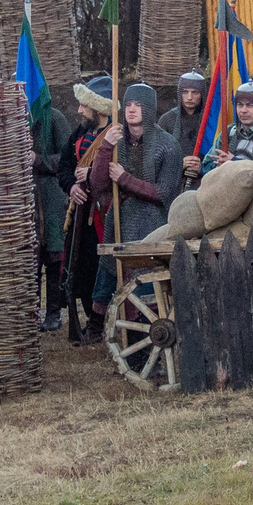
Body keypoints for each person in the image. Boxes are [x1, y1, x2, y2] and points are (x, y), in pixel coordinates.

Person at [81, 81, 180, 337]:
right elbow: (98, 184)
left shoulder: (168, 145)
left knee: (146, 283)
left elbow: (163, 193)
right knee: (110, 272)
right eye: (128, 105)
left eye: (138, 105)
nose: (132, 110)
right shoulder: (115, 142)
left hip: (152, 224)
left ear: (149, 109)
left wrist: (125, 180)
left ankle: (147, 333)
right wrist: (106, 148)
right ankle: (101, 328)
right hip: (120, 221)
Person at [60, 75, 114, 340]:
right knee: (78, 268)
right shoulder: (80, 133)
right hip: (80, 211)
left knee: (100, 267)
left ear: (99, 107)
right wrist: (72, 186)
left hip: (103, 213)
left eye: (84, 105)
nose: (80, 110)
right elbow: (64, 168)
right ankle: (87, 322)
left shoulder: (115, 133)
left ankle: (99, 322)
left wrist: (92, 174)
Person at [28, 76, 77, 332]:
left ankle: (54, 312)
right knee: (30, 259)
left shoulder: (55, 118)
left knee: (54, 257)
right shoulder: (14, 117)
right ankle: (31, 311)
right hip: (26, 199)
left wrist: (38, 160)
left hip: (53, 197)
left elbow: (69, 159)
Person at [158, 69, 210, 185]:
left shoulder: (210, 121)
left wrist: (203, 167)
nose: (189, 97)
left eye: (195, 92)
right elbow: (156, 158)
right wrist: (179, 164)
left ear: (202, 94)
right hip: (173, 183)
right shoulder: (167, 120)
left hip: (205, 182)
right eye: (185, 92)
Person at [206, 83, 253, 166]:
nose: (243, 110)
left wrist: (234, 161)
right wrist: (218, 165)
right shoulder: (229, 132)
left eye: (249, 105)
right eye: (240, 105)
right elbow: (207, 164)